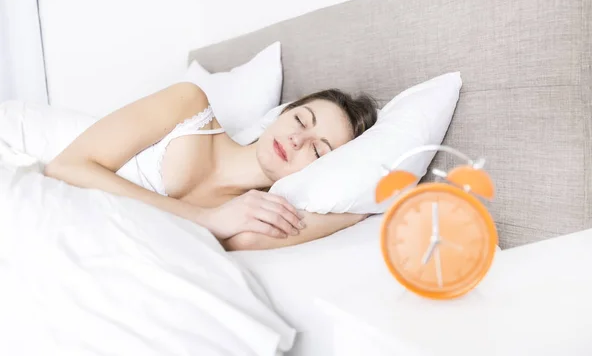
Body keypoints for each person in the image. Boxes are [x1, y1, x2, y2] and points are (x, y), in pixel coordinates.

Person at [44, 82, 378, 251]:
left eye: (318, 152)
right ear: (284, 112)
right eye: (301, 120)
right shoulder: (189, 104)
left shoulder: (248, 215)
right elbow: (65, 166)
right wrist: (206, 219)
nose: (296, 140)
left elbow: (246, 242)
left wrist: (361, 210)